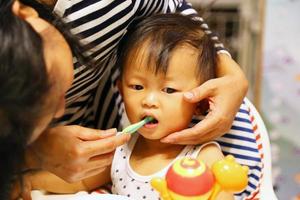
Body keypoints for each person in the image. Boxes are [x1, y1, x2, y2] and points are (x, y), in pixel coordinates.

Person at [0, 0, 251, 198]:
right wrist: (28, 178)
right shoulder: (121, 152)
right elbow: (81, 180)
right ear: (120, 89)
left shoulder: (200, 157)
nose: (149, 100)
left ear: (200, 102)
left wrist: (231, 72)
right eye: (137, 86)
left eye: (169, 90)